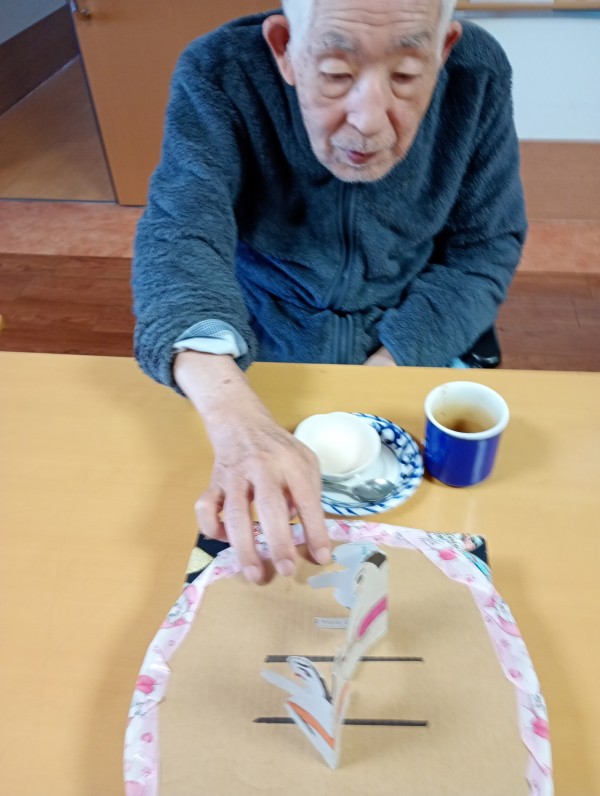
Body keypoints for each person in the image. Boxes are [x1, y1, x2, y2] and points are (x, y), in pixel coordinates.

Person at [132, 0, 527, 583]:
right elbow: (179, 232)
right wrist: (236, 417)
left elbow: (486, 246)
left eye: (406, 76)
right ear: (285, 48)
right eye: (337, 73)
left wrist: (395, 358)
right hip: (254, 357)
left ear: (444, 51)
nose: (368, 121)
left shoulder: (478, 75)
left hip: (410, 344)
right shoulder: (220, 72)